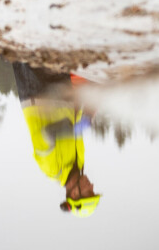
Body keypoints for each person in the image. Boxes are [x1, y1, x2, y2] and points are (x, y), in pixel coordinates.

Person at [12, 62, 102, 217]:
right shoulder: (79, 162)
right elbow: (75, 120)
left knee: (26, 46)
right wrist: (88, 113)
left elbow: (45, 134)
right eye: (93, 190)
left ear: (74, 194)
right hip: (62, 96)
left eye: (89, 191)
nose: (92, 185)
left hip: (36, 92)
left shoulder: (51, 169)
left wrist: (72, 129)